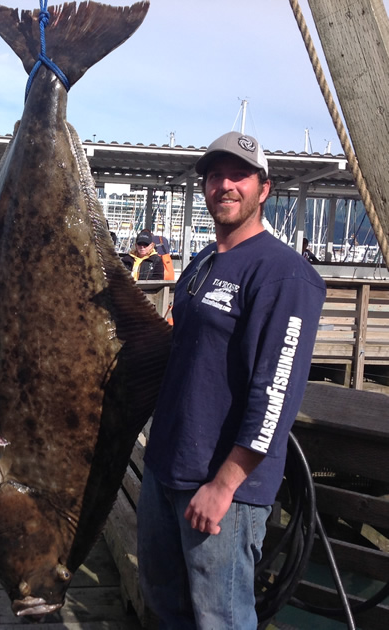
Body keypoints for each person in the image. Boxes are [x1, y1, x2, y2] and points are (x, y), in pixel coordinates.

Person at [137, 131, 326, 629]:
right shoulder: (201, 262)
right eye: (215, 176)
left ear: (264, 189)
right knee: (165, 604)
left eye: (238, 176)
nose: (225, 185)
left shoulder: (285, 274)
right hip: (165, 468)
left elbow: (277, 393)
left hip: (223, 490)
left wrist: (224, 484)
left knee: (220, 618)